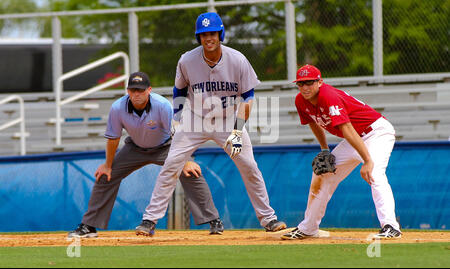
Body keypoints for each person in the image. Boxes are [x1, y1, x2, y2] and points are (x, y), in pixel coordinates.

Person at [134, 12, 286, 236]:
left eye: (212, 33)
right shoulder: (187, 60)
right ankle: (150, 220)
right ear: (199, 37)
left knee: (250, 167)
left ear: (220, 33)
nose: (208, 38)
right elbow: (179, 90)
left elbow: (248, 97)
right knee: (172, 164)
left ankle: (268, 218)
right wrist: (176, 119)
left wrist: (236, 130)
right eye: (203, 34)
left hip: (228, 121)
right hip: (196, 118)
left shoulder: (237, 59)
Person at [68, 72, 223, 238]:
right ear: (127, 91)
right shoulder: (117, 108)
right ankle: (89, 226)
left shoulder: (162, 105)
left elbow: (179, 134)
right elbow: (113, 138)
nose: (136, 94)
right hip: (135, 148)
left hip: (167, 147)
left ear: (149, 90)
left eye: (140, 90)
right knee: (106, 175)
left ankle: (214, 220)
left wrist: (185, 161)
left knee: (190, 172)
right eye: (133, 90)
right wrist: (107, 165)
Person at [281, 64, 401, 240]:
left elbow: (346, 128)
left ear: (319, 82)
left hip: (376, 132)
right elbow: (314, 123)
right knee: (322, 175)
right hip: (354, 138)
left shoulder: (328, 96)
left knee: (375, 173)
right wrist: (324, 149)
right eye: (301, 84)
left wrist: (367, 160)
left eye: (309, 82)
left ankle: (391, 226)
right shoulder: (300, 100)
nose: (305, 87)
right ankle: (308, 228)